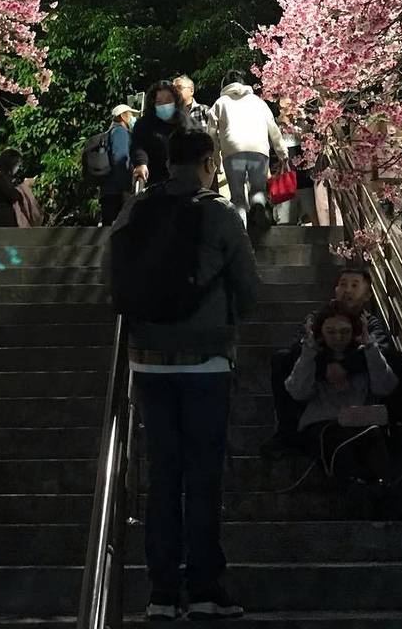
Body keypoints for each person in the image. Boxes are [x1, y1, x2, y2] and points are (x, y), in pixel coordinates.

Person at [109, 129, 258, 621]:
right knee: (203, 476)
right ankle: (205, 587)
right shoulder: (218, 213)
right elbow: (249, 291)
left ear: (168, 162)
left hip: (147, 358)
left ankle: (160, 593)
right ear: (209, 161)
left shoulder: (136, 210)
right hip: (206, 362)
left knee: (162, 475)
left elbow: (113, 274)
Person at [261, 265, 393, 456]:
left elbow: (382, 348)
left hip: (357, 390)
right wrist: (326, 366)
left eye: (355, 285)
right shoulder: (316, 319)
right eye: (342, 284)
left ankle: (394, 430)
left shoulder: (370, 323)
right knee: (282, 359)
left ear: (367, 295)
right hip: (316, 387)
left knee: (396, 360)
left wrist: (345, 366)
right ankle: (287, 432)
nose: (347, 290)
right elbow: (298, 348)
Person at [284, 307, 398, 482]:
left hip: (361, 422)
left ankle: (379, 486)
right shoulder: (315, 359)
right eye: (330, 332)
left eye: (345, 332)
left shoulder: (362, 357)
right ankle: (357, 486)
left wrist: (370, 347)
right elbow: (298, 392)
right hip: (324, 424)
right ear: (321, 333)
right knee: (341, 442)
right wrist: (308, 350)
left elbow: (385, 387)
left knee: (373, 437)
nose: (338, 338)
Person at [209, 70, 287, 231]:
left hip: (233, 151)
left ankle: (241, 230)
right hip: (258, 150)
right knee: (258, 189)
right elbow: (272, 126)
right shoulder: (258, 102)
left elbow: (211, 133)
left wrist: (215, 157)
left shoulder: (220, 103)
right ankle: (258, 205)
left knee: (237, 195)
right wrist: (282, 152)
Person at [130, 80, 189, 189]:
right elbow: (138, 147)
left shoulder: (186, 123)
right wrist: (141, 163)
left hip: (184, 183)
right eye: (159, 101)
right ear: (153, 104)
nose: (164, 105)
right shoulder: (144, 125)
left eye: (168, 100)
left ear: (176, 102)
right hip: (155, 184)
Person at [100, 103, 138, 226]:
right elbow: (120, 159)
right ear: (123, 116)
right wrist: (126, 187)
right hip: (117, 191)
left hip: (109, 190)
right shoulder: (120, 132)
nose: (133, 118)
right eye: (131, 115)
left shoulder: (110, 132)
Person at [0, 148, 43, 227]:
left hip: (8, 216)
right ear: (11, 163)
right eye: (17, 165)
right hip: (5, 218)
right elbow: (13, 195)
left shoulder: (4, 177)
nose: (18, 168)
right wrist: (25, 185)